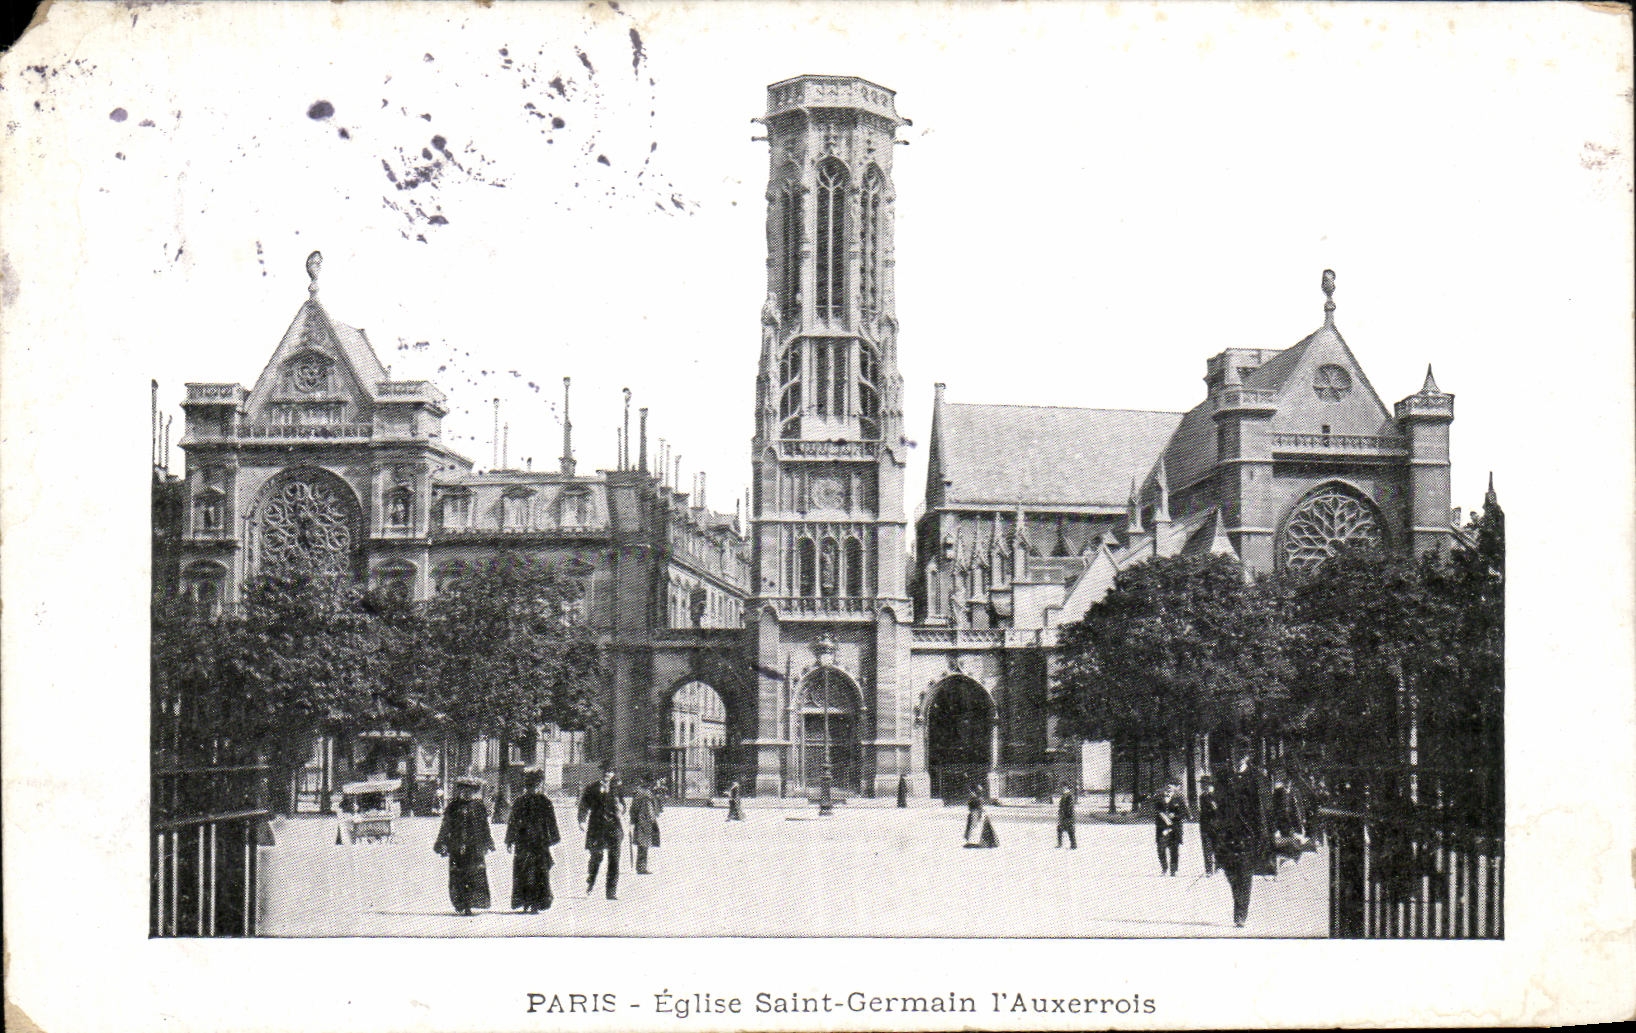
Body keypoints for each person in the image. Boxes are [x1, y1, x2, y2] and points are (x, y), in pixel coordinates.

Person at [1214, 747, 1271, 928]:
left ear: (1247, 757)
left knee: (1245, 874)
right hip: (1228, 833)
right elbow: (1219, 802)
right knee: (1231, 872)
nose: (1237, 758)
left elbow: (1263, 807)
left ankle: (1240, 914)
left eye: (1241, 755)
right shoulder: (1224, 776)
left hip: (1249, 833)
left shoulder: (1256, 777)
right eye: (1234, 755)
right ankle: (1238, 900)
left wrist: (1263, 834)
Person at [432, 776, 494, 916]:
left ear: (474, 791)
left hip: (475, 847)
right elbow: (445, 826)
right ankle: (462, 904)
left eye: (470, 790)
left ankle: (471, 903)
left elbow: (485, 826)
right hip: (456, 846)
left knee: (474, 874)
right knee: (458, 875)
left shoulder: (479, 807)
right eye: (464, 790)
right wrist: (441, 843)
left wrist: (488, 841)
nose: (467, 793)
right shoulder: (453, 807)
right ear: (460, 790)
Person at [505, 768, 560, 913]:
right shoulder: (519, 802)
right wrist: (509, 840)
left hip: (540, 843)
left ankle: (536, 903)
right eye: (530, 787)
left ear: (540, 786)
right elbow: (513, 822)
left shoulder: (545, 802)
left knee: (539, 873)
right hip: (523, 843)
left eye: (535, 786)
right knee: (523, 872)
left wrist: (553, 841)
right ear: (526, 787)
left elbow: (552, 823)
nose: (533, 789)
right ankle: (525, 902)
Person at [577, 767, 624, 900]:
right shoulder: (592, 788)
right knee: (596, 857)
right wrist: (581, 820)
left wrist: (622, 808)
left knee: (614, 859)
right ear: (601, 773)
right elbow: (584, 805)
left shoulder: (617, 789)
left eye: (610, 772)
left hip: (614, 827)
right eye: (605, 772)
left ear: (613, 774)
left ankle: (611, 892)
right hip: (597, 827)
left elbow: (623, 805)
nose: (607, 775)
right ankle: (590, 882)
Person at [628, 775, 662, 875]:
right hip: (644, 821)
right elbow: (637, 808)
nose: (652, 784)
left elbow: (634, 809)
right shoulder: (644, 793)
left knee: (644, 844)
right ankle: (641, 867)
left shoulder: (644, 792)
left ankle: (641, 867)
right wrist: (633, 819)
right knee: (643, 844)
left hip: (645, 820)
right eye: (651, 782)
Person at [1154, 782, 1186, 876]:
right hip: (1162, 829)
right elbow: (1157, 814)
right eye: (1167, 790)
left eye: (1170, 790)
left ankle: (1173, 870)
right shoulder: (1159, 801)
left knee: (1174, 850)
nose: (1168, 792)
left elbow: (1183, 813)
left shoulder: (1179, 800)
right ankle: (1164, 868)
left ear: (1174, 791)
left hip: (1175, 829)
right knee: (1161, 849)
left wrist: (1175, 815)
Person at [1196, 777, 1219, 876]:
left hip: (1217, 826)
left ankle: (1218, 867)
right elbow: (1203, 811)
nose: (1201, 786)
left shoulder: (1218, 796)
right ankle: (1209, 870)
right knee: (1207, 849)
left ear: (1209, 785)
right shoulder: (1202, 797)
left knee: (1217, 847)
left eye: (1203, 784)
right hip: (1205, 826)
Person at [963, 783, 998, 848]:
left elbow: (977, 808)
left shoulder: (977, 799)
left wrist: (977, 813)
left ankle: (975, 842)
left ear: (975, 792)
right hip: (975, 813)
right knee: (974, 827)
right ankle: (972, 841)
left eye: (972, 792)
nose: (970, 793)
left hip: (976, 814)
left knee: (976, 827)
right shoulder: (975, 798)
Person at [1056, 784, 1078, 849]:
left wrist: (1066, 815)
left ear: (1066, 788)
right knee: (1060, 829)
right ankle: (1060, 844)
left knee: (1070, 831)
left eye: (1063, 787)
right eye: (1062, 787)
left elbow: (1069, 807)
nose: (1062, 789)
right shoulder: (1064, 795)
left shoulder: (1069, 796)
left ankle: (1073, 845)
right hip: (1064, 816)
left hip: (1068, 816)